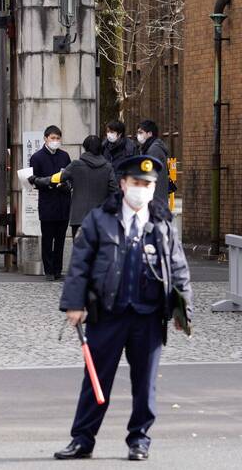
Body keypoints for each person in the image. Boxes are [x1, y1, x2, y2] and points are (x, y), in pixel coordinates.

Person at [54, 155, 192, 462]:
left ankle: (139, 439)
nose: (141, 189)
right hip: (107, 314)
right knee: (95, 379)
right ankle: (82, 439)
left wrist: (184, 310)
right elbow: (80, 264)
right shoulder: (100, 219)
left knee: (145, 383)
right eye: (136, 183)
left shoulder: (162, 222)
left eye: (148, 184)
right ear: (124, 184)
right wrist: (74, 303)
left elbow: (178, 267)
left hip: (149, 315)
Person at [35, 135, 118, 239]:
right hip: (101, 218)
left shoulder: (76, 165)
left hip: (79, 219)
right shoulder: (108, 167)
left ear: (85, 148)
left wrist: (36, 180)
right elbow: (114, 190)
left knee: (81, 252)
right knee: (99, 253)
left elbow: (56, 178)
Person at [28, 125, 71, 281]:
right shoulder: (37, 157)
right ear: (45, 138)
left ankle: (58, 269)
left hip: (63, 203)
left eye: (58, 138)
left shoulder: (64, 156)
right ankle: (49, 270)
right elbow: (33, 181)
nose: (55, 141)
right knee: (47, 239)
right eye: (52, 138)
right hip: (47, 203)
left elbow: (69, 175)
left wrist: (66, 185)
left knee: (60, 240)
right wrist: (49, 183)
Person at [135, 120, 169, 205]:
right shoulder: (148, 148)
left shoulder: (154, 150)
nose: (138, 135)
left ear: (149, 133)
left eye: (141, 132)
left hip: (154, 197)